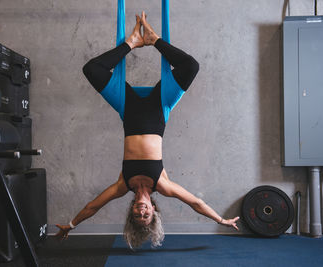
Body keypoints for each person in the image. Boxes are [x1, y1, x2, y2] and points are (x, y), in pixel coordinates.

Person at [55, 11, 239, 249]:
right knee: (191, 66)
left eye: (137, 215)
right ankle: (154, 40)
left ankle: (130, 43)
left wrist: (71, 224)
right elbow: (195, 202)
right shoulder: (162, 184)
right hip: (157, 109)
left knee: (91, 69)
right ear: (154, 209)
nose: (142, 212)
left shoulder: (123, 185)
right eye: (147, 215)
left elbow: (93, 206)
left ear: (132, 210)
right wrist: (220, 219)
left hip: (128, 107)